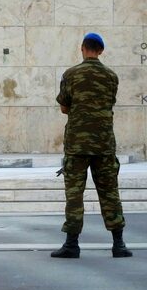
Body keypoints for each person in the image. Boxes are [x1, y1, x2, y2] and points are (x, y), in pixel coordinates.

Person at [52, 33, 132, 259]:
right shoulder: (111, 76)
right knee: (109, 192)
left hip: (77, 145)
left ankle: (71, 244)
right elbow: (109, 103)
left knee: (75, 195)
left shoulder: (71, 74)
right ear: (101, 50)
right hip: (104, 144)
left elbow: (64, 108)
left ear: (82, 48)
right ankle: (119, 244)